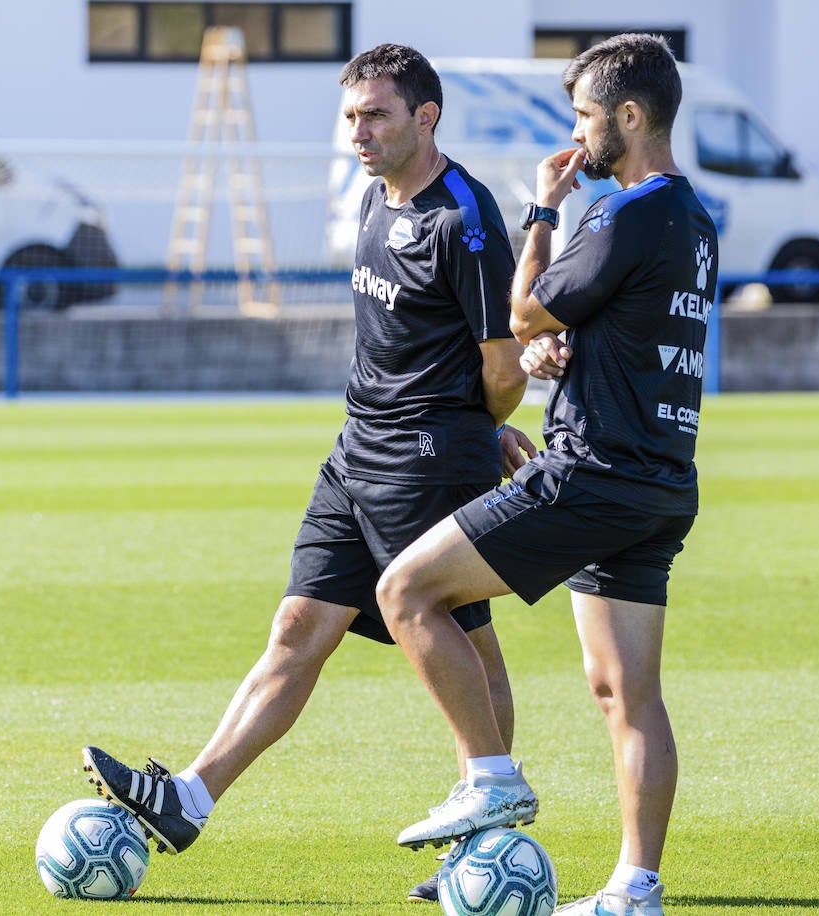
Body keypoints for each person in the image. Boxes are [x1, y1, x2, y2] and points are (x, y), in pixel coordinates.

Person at [78, 42, 535, 899]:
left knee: (465, 641)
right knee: (298, 627)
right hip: (355, 452)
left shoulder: (465, 219)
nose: (358, 132)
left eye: (376, 116)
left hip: (426, 461)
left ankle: (488, 823)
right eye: (351, 116)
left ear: (425, 117)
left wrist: (479, 434)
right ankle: (189, 798)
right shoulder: (371, 195)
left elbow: (503, 367)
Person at [375, 33, 715, 916]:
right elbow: (621, 331)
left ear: (628, 118)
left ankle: (489, 778)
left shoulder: (625, 212)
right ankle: (635, 890)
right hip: (660, 482)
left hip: (589, 476)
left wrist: (542, 208)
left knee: (406, 591)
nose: (577, 132)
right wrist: (572, 349)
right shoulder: (694, 219)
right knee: (625, 694)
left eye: (585, 116)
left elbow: (523, 311)